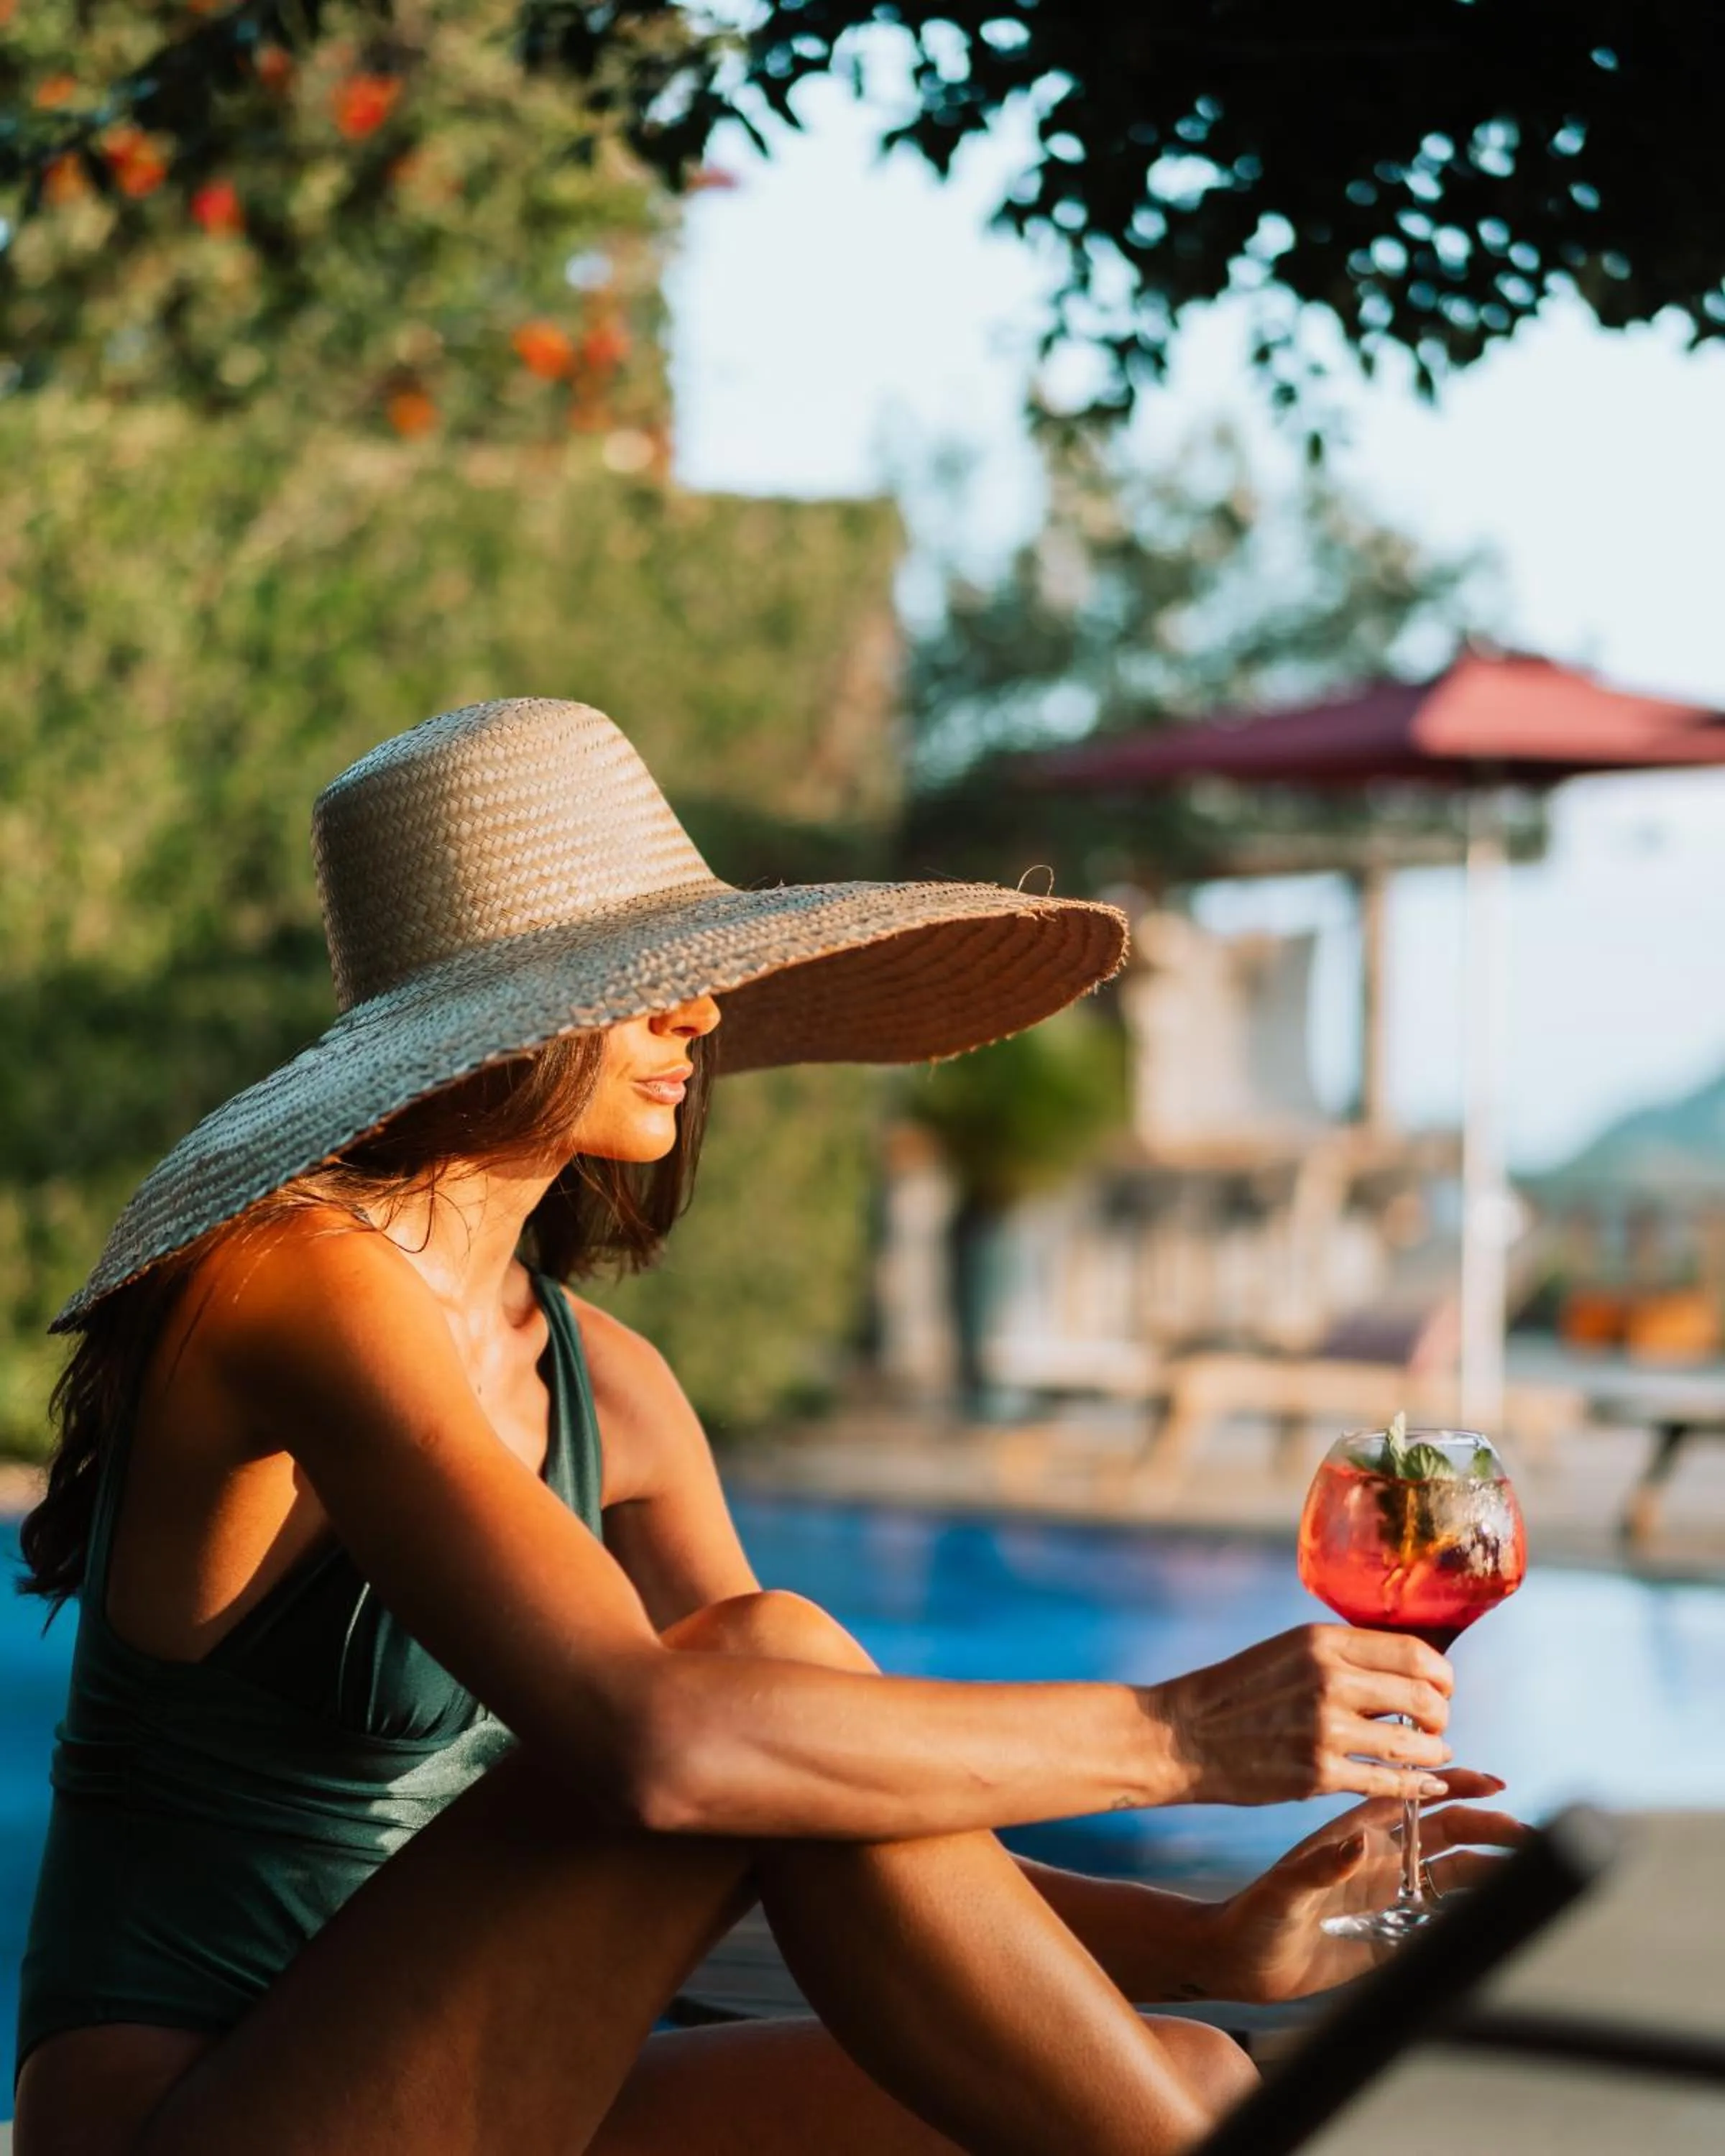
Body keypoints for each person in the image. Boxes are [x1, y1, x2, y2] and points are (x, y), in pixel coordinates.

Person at [12, 699, 1518, 2156]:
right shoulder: (293, 1280)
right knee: (760, 1664)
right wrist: (1183, 1737)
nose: (701, 1008)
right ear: (484, 1023)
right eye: (639, 972)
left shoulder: (611, 1386)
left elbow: (820, 1795)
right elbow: (666, 1745)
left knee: (1188, 2069)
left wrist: (1203, 1943)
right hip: (201, 2113)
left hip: (496, 2075)